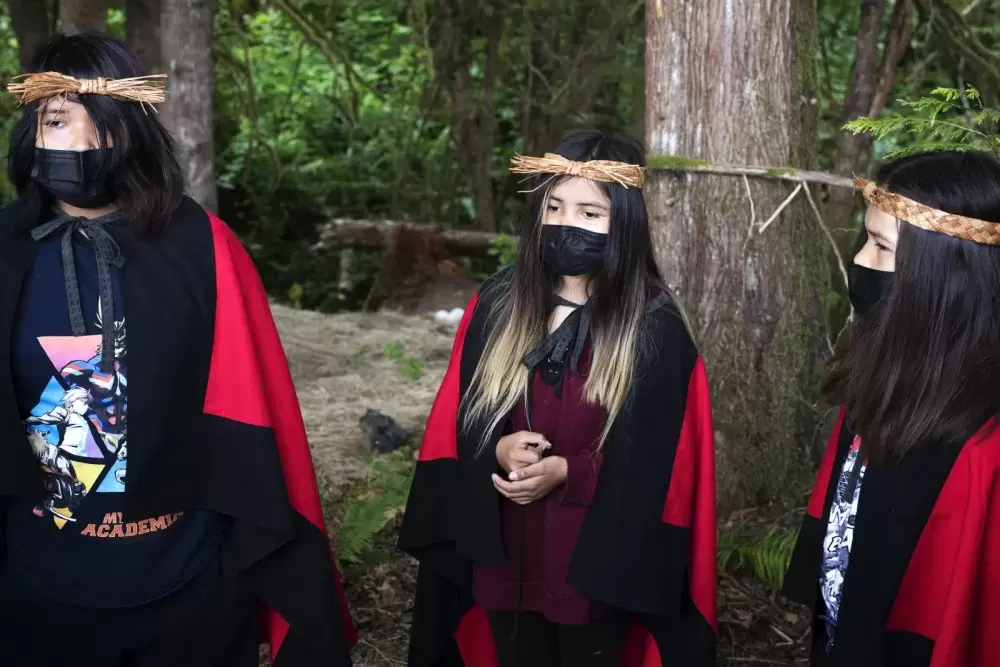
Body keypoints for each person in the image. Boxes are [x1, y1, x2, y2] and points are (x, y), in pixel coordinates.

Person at [0, 33, 355, 665]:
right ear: (32, 130)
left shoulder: (203, 245)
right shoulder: (2, 247)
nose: (79, 145)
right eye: (58, 120)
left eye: (101, 124)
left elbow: (251, 410)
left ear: (132, 134)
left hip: (185, 582)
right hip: (35, 583)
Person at [398, 130, 718, 667]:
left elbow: (663, 464)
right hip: (506, 555)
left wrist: (572, 471)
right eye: (555, 206)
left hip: (592, 564)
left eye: (591, 214)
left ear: (625, 223)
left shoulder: (653, 327)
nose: (568, 224)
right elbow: (461, 419)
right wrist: (497, 451)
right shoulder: (499, 304)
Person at [783, 151, 1000, 667]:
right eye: (866, 239)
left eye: (882, 247)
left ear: (948, 274)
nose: (860, 261)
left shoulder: (981, 442)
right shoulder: (884, 373)